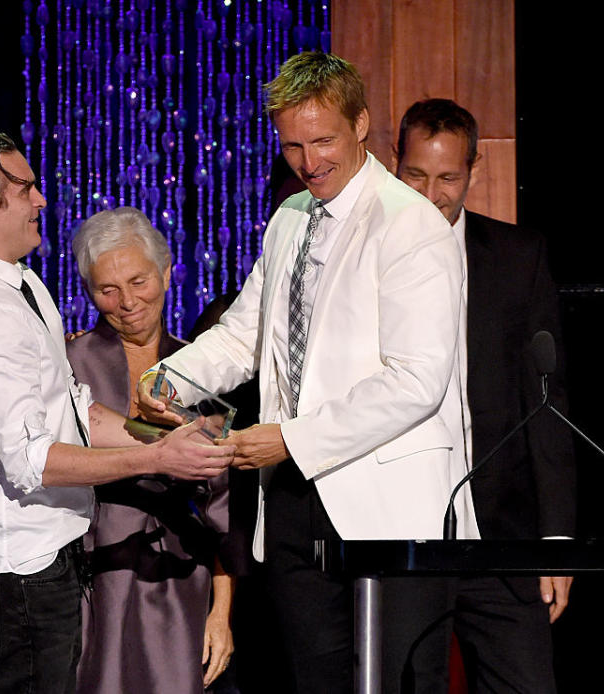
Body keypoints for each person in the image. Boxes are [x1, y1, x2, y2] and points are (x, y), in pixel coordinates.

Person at [136, 52, 477, 693]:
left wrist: (293, 437)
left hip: (389, 508)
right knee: (314, 681)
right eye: (293, 144)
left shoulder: (412, 226)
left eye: (323, 140)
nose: (309, 160)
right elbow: (244, 334)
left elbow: (418, 380)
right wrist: (168, 379)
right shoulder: (288, 220)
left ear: (362, 124)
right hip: (294, 499)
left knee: (399, 682)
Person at [0, 132, 234, 694]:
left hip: (49, 563)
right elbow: (30, 461)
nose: (42, 199)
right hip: (15, 572)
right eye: (26, 188)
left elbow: (77, 411)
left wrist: (172, 438)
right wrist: (161, 454)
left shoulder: (21, 286)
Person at [396, 97, 576, 693]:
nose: (431, 193)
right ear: (395, 166)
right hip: (405, 534)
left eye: (447, 177)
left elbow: (546, 404)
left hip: (502, 532)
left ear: (474, 171)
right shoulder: (366, 261)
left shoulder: (520, 257)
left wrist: (555, 541)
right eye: (416, 175)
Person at [66, 207, 235, 694]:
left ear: (165, 272)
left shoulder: (205, 369)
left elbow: (224, 506)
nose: (127, 303)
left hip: (181, 577)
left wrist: (221, 612)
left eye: (139, 281)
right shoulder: (67, 363)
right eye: (107, 290)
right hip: (92, 578)